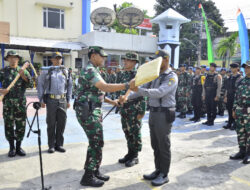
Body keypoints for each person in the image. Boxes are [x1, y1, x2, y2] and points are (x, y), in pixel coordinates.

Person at [74, 46, 131, 187]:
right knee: (96, 143)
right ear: (93, 56)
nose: (104, 59)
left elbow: (97, 92)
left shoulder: (95, 70)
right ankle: (87, 176)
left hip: (92, 109)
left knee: (97, 142)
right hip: (88, 111)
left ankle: (95, 170)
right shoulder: (90, 70)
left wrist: (113, 102)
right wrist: (127, 85)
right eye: (102, 56)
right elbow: (105, 87)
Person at [124, 49, 178, 186]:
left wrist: (137, 89)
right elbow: (142, 89)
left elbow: (159, 92)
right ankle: (158, 170)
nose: (155, 63)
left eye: (157, 60)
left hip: (164, 113)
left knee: (163, 145)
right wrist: (126, 97)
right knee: (156, 144)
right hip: (154, 113)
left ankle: (164, 174)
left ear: (165, 60)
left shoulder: (171, 77)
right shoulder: (155, 75)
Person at [37, 52, 72, 153]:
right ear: (51, 60)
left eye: (59, 58)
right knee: (51, 123)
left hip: (62, 100)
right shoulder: (46, 71)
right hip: (51, 100)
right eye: (55, 58)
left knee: (62, 123)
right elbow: (40, 85)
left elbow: (70, 86)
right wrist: (41, 100)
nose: (57, 60)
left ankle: (59, 145)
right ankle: (51, 145)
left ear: (61, 59)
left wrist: (68, 99)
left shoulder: (66, 71)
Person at [0, 50, 33, 157]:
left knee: (20, 126)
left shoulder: (24, 71)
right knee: (8, 125)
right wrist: (1, 91)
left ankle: (18, 147)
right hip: (8, 104)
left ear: (18, 59)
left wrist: (23, 75)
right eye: (10, 57)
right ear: (7, 59)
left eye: (15, 57)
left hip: (20, 105)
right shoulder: (3, 71)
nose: (13, 59)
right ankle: (11, 147)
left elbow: (31, 84)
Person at [116, 52, 146, 167]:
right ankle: (129, 153)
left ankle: (135, 156)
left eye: (128, 60)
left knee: (135, 132)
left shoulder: (138, 75)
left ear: (134, 62)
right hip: (124, 108)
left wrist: (142, 111)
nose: (125, 62)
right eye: (124, 60)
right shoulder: (122, 74)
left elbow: (143, 94)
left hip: (135, 108)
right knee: (127, 131)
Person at [230, 61, 250, 164]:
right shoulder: (241, 81)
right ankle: (241, 151)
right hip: (240, 110)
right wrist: (234, 109)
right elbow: (236, 96)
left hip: (249, 111)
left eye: (248, 68)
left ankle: (248, 153)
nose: (246, 69)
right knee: (240, 131)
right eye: (245, 68)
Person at [223, 63, 242, 130]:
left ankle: (235, 124)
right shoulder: (230, 77)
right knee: (229, 109)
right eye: (231, 68)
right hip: (229, 96)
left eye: (233, 68)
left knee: (235, 110)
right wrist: (225, 96)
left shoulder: (240, 78)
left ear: (237, 68)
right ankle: (229, 123)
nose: (232, 69)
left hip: (236, 97)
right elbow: (227, 88)